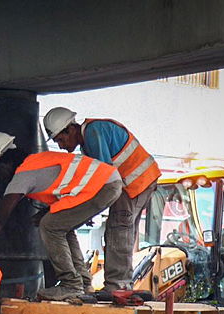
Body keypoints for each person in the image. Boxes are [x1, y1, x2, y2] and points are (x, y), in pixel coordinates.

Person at [0, 132, 122, 301]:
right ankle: (83, 283)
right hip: (107, 183)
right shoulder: (36, 163)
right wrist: (44, 212)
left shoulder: (23, 175)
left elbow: (1, 218)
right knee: (60, 226)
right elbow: (65, 191)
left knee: (50, 225)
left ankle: (70, 284)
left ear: (7, 161)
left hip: (102, 186)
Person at [43, 107, 161, 295]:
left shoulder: (92, 133)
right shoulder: (89, 139)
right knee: (123, 230)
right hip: (137, 181)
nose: (60, 145)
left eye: (61, 139)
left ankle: (118, 286)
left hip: (132, 182)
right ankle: (120, 284)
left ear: (71, 129)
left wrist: (86, 208)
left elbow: (104, 177)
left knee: (118, 229)